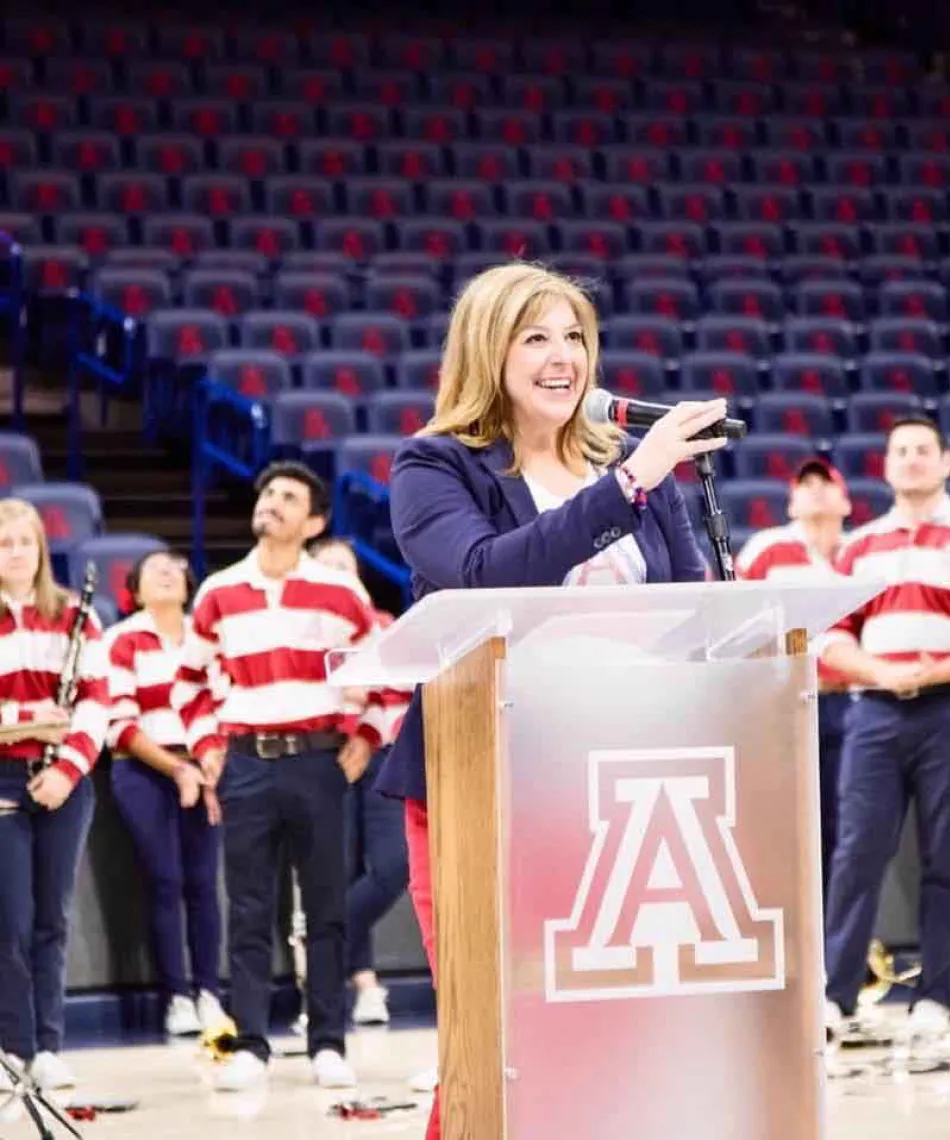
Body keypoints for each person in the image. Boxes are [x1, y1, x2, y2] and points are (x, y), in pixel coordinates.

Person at [378, 262, 727, 1140]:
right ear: (487, 351)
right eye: (536, 336)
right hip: (483, 781)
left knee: (615, 1038)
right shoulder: (434, 467)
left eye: (575, 336)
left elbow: (695, 609)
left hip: (624, 788)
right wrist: (629, 485)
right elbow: (489, 576)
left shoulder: (637, 473)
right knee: (495, 1035)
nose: (562, 356)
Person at [172, 460, 388, 1092]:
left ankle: (327, 1043)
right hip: (245, 763)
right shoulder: (217, 591)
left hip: (320, 763)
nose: (271, 502)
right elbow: (188, 683)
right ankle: (248, 1047)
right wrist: (207, 745)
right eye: (268, 492)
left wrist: (367, 739)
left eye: (288, 497)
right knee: (248, 909)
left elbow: (378, 678)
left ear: (314, 521)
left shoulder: (343, 592)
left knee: (325, 909)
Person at [818, 417, 950, 1038]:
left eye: (922, 451)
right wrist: (882, 672)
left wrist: (932, 675)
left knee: (947, 853)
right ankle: (838, 995)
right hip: (875, 713)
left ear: (946, 462)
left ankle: (937, 998)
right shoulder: (859, 547)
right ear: (884, 466)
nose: (910, 460)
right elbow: (831, 638)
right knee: (857, 853)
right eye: (899, 451)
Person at [0, 498, 109, 1091]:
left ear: (41, 548)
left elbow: (96, 703)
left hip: (64, 781)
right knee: (9, 921)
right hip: (2, 780)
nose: (15, 553)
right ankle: (12, 1046)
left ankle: (47, 1043)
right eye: (3, 543)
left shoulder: (74, 615)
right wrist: (29, 719)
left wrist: (66, 767)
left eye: (24, 541)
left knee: (53, 918)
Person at [105, 549, 227, 1038]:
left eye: (175, 566)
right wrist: (178, 768)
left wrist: (210, 764)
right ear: (134, 590)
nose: (166, 570)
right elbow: (120, 723)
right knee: (165, 878)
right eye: (153, 567)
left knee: (203, 882)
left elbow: (223, 705)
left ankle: (210, 994)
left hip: (206, 766)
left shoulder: (209, 640)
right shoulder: (121, 639)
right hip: (143, 767)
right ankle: (176, 995)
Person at [735, 457, 851, 906]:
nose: (817, 490)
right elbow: (737, 624)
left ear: (846, 500)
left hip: (848, 703)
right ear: (790, 504)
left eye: (827, 483)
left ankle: (837, 948)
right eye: (806, 485)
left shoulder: (863, 551)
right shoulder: (766, 549)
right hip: (783, 707)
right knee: (785, 825)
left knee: (846, 830)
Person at [308, 536, 411, 1026]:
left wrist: (364, 729)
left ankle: (321, 949)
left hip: (381, 757)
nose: (336, 574)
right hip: (322, 758)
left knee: (392, 868)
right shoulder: (300, 633)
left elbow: (398, 686)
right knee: (336, 874)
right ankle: (356, 984)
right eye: (325, 566)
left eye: (344, 566)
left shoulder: (386, 627)